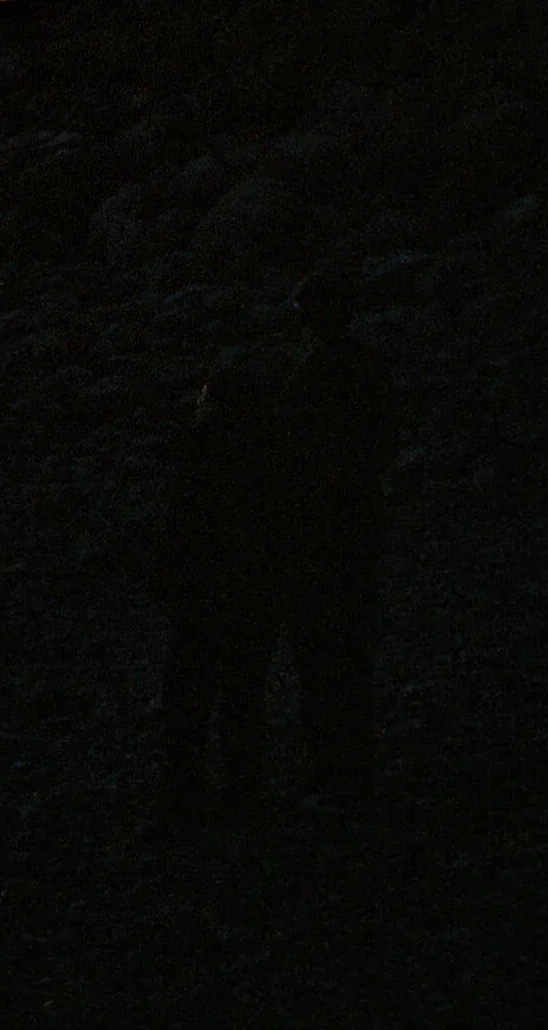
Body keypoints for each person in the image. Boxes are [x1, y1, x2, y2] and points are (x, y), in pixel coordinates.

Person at [153, 349, 282, 840]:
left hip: (202, 600)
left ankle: (183, 796)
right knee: (242, 701)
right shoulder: (269, 455)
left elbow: (179, 525)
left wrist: (167, 579)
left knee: (187, 702)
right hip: (250, 598)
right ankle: (241, 798)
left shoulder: (200, 448)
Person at [281, 268, 395, 800]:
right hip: (359, 527)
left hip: (322, 533)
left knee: (322, 653)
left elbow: (300, 457)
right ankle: (355, 764)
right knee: (352, 649)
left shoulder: (313, 376)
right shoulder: (368, 367)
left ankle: (330, 768)